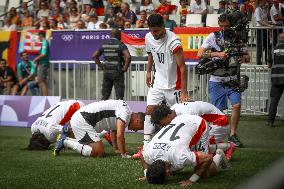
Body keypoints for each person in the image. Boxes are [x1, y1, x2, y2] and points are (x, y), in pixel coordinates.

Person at [132, 13, 189, 159]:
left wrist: (184, 91)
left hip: (174, 86)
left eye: (156, 30)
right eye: (151, 30)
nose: (154, 33)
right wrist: (148, 71)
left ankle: (181, 145)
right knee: (149, 110)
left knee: (177, 116)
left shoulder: (174, 41)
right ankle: (145, 147)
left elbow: (182, 67)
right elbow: (151, 54)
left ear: (163, 27)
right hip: (157, 82)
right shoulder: (149, 37)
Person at [197, 13, 250, 147]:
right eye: (221, 26)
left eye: (226, 26)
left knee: (236, 105)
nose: (224, 28)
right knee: (218, 111)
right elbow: (199, 54)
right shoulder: (212, 36)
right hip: (216, 80)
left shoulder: (238, 37)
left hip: (233, 78)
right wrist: (217, 54)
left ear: (231, 25)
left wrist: (244, 59)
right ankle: (216, 136)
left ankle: (232, 134)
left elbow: (247, 56)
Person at [139, 114, 228, 186]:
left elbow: (208, 158)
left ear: (167, 172)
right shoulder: (148, 153)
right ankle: (221, 147)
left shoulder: (180, 156)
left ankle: (219, 155)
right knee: (177, 166)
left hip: (197, 123)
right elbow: (142, 154)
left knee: (205, 173)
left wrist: (192, 179)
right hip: (179, 120)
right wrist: (147, 173)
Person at [54, 100, 145, 158]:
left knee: (96, 148)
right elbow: (120, 135)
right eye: (139, 128)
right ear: (137, 121)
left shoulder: (126, 112)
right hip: (82, 121)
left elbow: (114, 130)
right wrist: (124, 154)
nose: (136, 130)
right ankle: (65, 141)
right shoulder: (125, 114)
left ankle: (68, 134)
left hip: (82, 119)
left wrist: (116, 149)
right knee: (98, 152)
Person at [150, 102, 236, 160]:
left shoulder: (186, 114)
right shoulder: (173, 110)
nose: (163, 127)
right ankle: (217, 146)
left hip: (220, 123)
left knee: (196, 146)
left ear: (168, 116)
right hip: (212, 122)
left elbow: (197, 130)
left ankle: (228, 146)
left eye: (163, 124)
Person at [92, 29, 131, 100]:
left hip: (107, 71)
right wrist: (125, 68)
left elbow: (94, 56)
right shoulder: (120, 44)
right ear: (119, 36)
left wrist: (101, 66)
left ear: (111, 35)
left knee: (105, 95)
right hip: (118, 71)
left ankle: (101, 110)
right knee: (119, 96)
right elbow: (128, 56)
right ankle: (120, 110)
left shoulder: (105, 44)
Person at [266, 32, 284, 127]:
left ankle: (270, 121)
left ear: (278, 39)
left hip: (276, 79)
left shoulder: (273, 50)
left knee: (274, 101)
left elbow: (269, 65)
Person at [33, 31, 50, 96]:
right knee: (41, 81)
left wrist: (35, 59)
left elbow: (43, 54)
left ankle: (45, 97)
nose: (37, 37)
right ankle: (43, 96)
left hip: (44, 63)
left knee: (42, 81)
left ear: (41, 35)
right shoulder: (43, 43)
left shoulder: (45, 42)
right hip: (41, 63)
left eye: (38, 36)